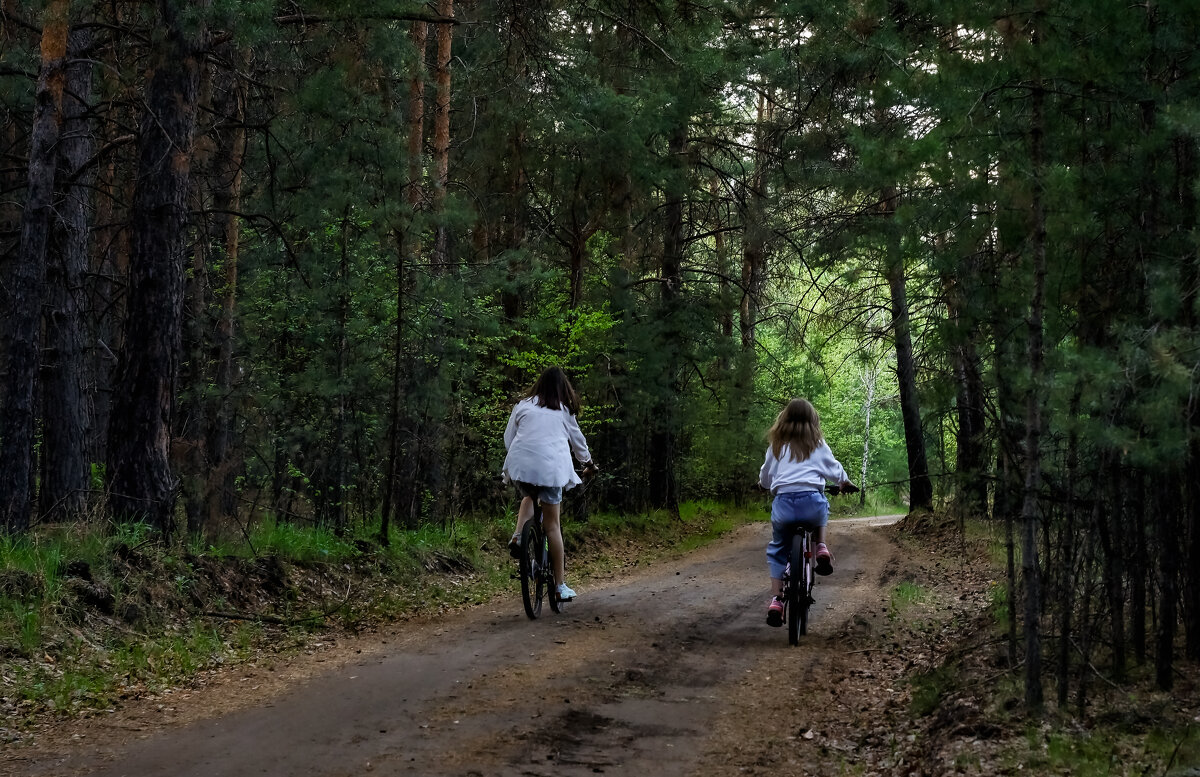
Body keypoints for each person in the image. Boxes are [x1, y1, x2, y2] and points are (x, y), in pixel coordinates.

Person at [502, 366, 598, 602]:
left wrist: (521, 457)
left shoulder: (522, 405)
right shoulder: (564, 410)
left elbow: (508, 438)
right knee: (553, 525)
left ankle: (518, 536)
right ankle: (559, 586)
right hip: (551, 469)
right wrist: (589, 464)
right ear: (563, 388)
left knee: (529, 496)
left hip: (521, 464)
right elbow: (578, 443)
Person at [758, 398, 853, 627]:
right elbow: (833, 468)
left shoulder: (777, 445)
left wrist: (762, 485)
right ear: (813, 420)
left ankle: (777, 600)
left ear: (784, 418)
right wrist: (844, 481)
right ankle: (820, 545)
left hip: (783, 505)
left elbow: (766, 475)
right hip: (812, 504)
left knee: (778, 550)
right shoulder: (817, 443)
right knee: (822, 506)